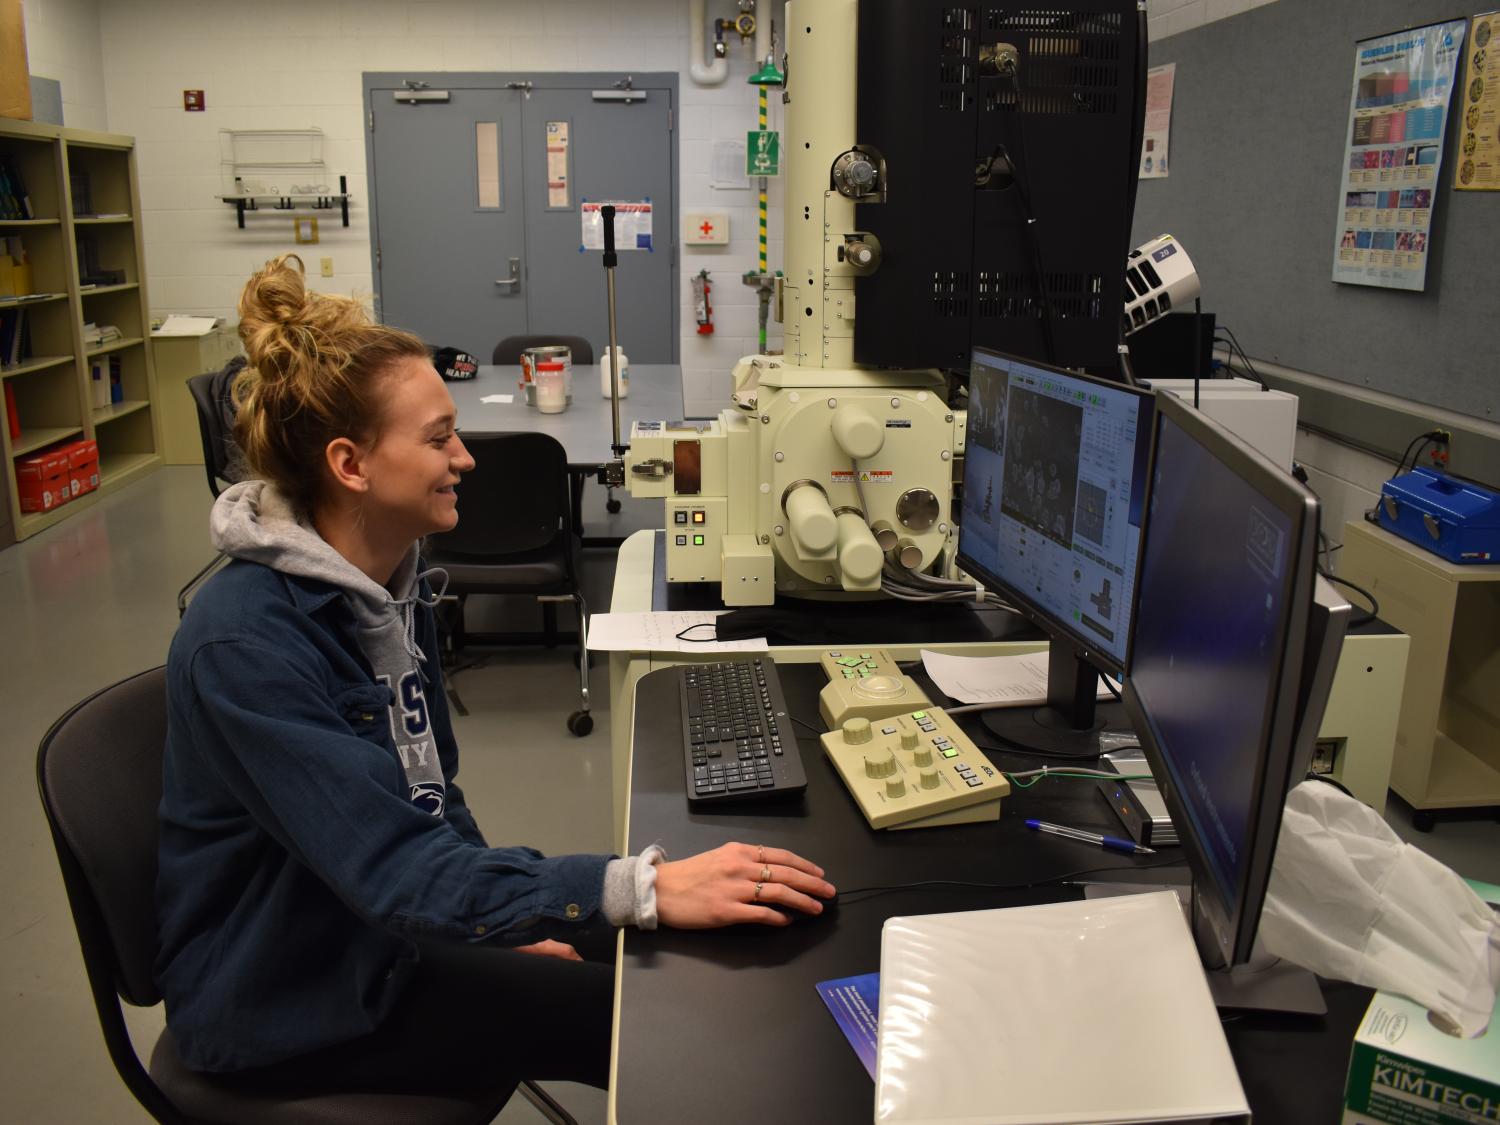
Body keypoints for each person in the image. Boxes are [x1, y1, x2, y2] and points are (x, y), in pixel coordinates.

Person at [157, 254, 836, 1096]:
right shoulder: (247, 645)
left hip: (380, 930)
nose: (465, 458)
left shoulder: (389, 585)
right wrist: (637, 885)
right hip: (291, 996)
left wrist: (498, 922)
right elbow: (396, 866)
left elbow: (431, 800)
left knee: (710, 946)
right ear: (350, 465)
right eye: (438, 438)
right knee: (660, 1018)